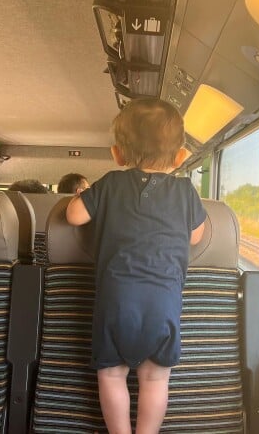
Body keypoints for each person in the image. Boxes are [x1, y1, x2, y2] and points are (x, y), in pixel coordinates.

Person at [66, 98, 206, 434]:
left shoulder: (111, 184)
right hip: (164, 303)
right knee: (156, 377)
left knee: (112, 374)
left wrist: (82, 194)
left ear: (117, 153)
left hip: (116, 301)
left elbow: (73, 215)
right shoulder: (186, 191)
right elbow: (196, 237)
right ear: (181, 157)